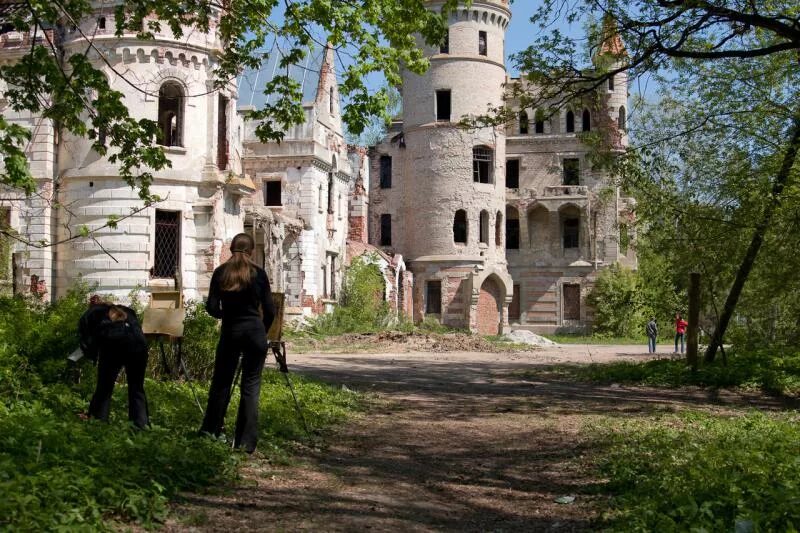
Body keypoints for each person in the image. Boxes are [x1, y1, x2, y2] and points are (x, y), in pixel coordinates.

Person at [200, 233, 275, 453]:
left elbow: (212, 308)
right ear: (251, 251)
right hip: (255, 332)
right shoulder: (258, 274)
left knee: (221, 384)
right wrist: (263, 328)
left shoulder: (220, 273)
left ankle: (210, 432)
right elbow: (270, 309)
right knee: (250, 387)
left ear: (231, 248)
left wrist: (228, 314)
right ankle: (245, 442)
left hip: (231, 331)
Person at [79, 297, 150, 428]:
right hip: (138, 346)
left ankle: (97, 422)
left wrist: (92, 355)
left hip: (113, 346)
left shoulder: (90, 314)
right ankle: (140, 425)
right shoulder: (127, 311)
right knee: (136, 388)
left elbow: (86, 340)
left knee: (104, 387)